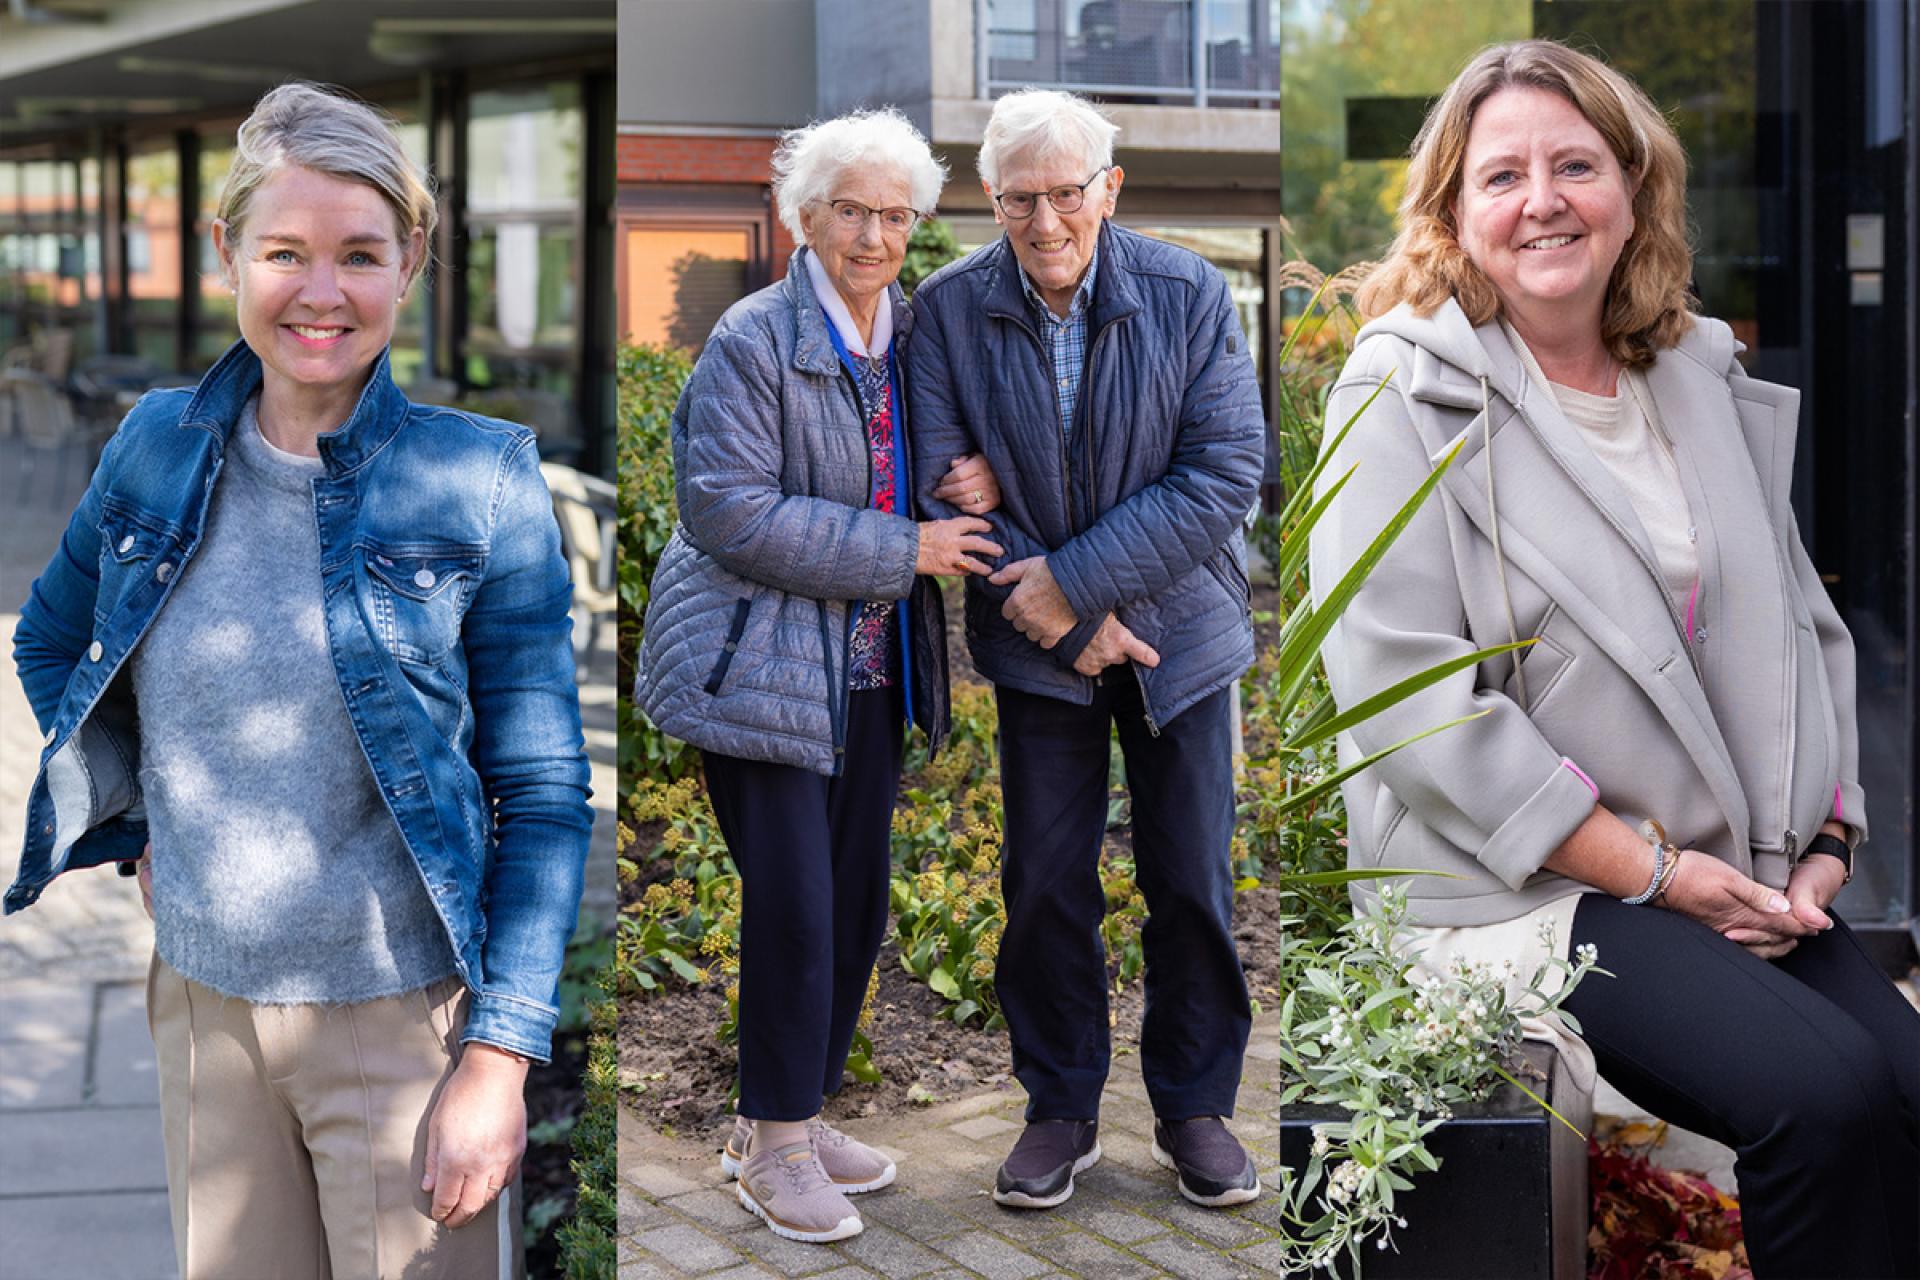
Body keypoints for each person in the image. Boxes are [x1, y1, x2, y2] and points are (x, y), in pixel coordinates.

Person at [1309, 39, 1920, 1279]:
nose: (1542, 199)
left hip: (1727, 866)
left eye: (1576, 164)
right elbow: (1405, 696)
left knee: (1905, 1084)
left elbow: (1803, 624)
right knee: (1819, 1099)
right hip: (1523, 885)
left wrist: (1828, 840)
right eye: (1503, 175)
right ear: (1452, 209)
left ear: (1633, 189)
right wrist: (1656, 872)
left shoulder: (1693, 369)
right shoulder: (1399, 389)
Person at [7, 83, 593, 1279]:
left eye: (360, 255)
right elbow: (52, 641)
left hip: (401, 1017)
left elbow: (540, 789)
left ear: (411, 261)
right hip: (201, 1003)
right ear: (228, 251)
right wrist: (138, 819)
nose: (322, 292)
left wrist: (500, 1057)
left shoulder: (477, 481)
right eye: (286, 251)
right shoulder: (156, 444)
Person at [633, 107, 1004, 1245]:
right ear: (804, 215)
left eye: (897, 215)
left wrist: (963, 488)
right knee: (793, 906)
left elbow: (924, 463)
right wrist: (909, 548)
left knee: (852, 905)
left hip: (866, 673)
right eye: (854, 210)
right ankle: (777, 1145)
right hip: (753, 672)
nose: (876, 236)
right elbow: (728, 511)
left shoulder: (915, 338)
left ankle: (784, 1117)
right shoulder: (754, 338)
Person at [908, 88, 1267, 1211]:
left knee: (1192, 877)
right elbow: (936, 469)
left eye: (1067, 192)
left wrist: (1076, 583)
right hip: (1034, 645)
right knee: (1046, 882)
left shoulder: (1188, 291)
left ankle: (1196, 1106)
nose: (1046, 221)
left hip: (1179, 638)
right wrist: (1054, 606)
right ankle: (1060, 1105)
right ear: (989, 200)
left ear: (1109, 189)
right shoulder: (947, 309)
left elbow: (1221, 473)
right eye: (1020, 198)